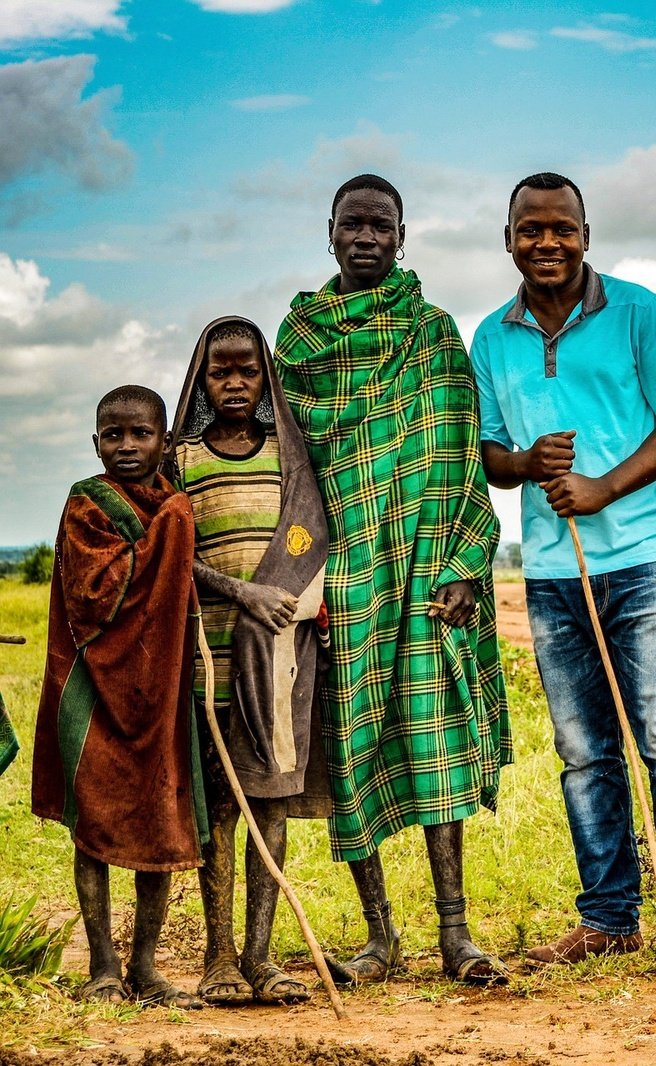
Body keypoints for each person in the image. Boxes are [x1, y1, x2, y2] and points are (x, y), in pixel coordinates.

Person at [471, 172, 656, 983]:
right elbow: (487, 452)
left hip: (647, 556)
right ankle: (610, 919)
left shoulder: (641, 313)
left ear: (587, 232)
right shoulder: (491, 337)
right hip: (553, 571)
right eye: (530, 229)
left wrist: (605, 486)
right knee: (584, 753)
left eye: (562, 228)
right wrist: (524, 462)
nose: (547, 242)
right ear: (508, 236)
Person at [274, 174, 511, 984]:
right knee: (351, 747)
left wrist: (463, 566)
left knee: (435, 742)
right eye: (353, 224)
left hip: (423, 572)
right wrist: (311, 575)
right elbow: (289, 469)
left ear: (403, 237)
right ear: (329, 232)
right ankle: (380, 939)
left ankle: (456, 936)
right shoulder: (300, 340)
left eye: (382, 225)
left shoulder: (435, 333)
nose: (366, 236)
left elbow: (457, 458)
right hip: (342, 579)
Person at [169, 316, 330, 1006]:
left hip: (280, 660)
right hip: (210, 663)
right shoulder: (178, 462)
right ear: (201, 381)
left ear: (267, 377)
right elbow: (171, 559)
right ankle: (218, 956)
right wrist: (242, 591)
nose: (234, 381)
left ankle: (262, 958)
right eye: (219, 370)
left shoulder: (289, 460)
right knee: (220, 810)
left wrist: (294, 606)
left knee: (269, 803)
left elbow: (317, 545)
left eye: (247, 369)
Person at [32, 385, 206, 1009]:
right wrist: (172, 531)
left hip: (159, 691)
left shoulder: (173, 503)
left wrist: (175, 524)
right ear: (95, 442)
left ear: (164, 440)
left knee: (160, 819)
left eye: (141, 434)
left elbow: (178, 574)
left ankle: (145, 965)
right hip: (92, 687)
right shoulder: (88, 503)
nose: (127, 446)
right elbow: (92, 591)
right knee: (94, 824)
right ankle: (102, 963)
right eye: (113, 434)